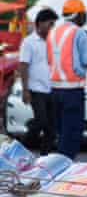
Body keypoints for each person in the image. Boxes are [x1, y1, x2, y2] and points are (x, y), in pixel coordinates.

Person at [48, 0, 87, 159]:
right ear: (77, 15)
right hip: (72, 91)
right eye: (83, 14)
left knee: (61, 131)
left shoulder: (53, 32)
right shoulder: (78, 32)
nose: (85, 18)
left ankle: (58, 163)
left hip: (53, 90)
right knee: (72, 133)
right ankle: (66, 166)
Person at [19, 8, 57, 154]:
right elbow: (23, 66)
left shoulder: (54, 42)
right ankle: (21, 148)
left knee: (52, 129)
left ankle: (44, 158)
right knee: (41, 122)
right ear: (40, 23)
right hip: (36, 89)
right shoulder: (29, 42)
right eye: (50, 23)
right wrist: (25, 90)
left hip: (52, 88)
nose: (52, 27)